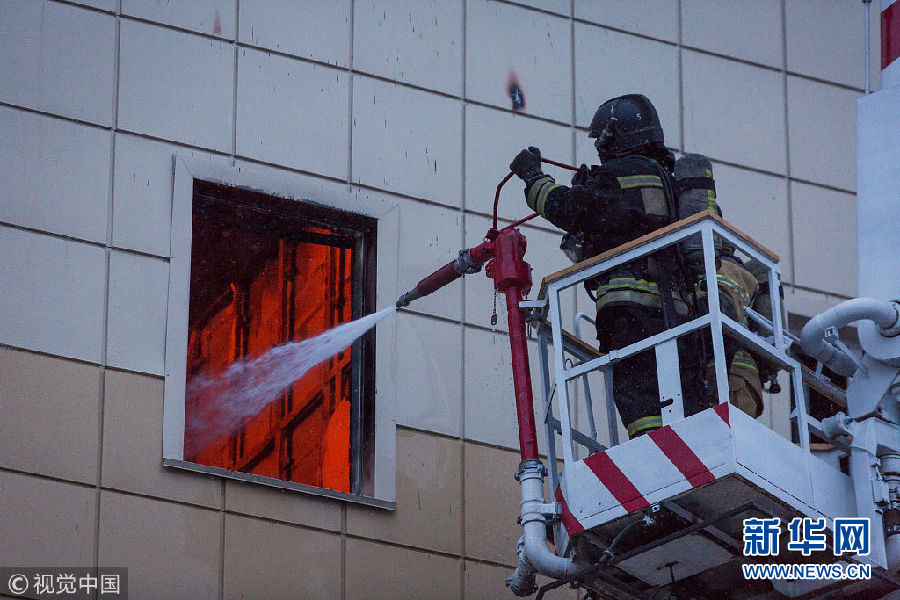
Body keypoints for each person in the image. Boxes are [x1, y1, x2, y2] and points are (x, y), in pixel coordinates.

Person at [509, 93, 704, 439]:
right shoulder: (660, 178)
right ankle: (676, 449)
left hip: (631, 309)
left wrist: (534, 178)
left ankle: (649, 455)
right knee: (675, 395)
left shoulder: (624, 172)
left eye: (602, 139)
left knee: (638, 395)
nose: (599, 148)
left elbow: (568, 208)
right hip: (674, 310)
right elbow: (621, 218)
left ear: (618, 135)